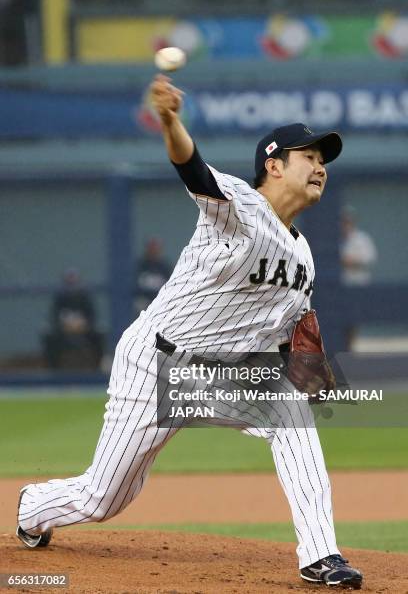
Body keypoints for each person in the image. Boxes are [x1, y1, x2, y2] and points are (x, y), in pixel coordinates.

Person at [16, 74, 362, 589]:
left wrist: (307, 361)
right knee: (104, 499)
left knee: (292, 415)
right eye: (307, 155)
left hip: (226, 377)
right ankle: (35, 506)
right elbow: (192, 169)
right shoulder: (240, 207)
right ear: (273, 164)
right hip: (156, 364)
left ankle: (320, 554)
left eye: (323, 159)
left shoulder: (305, 255)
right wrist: (171, 120)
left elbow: (293, 330)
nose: (319, 166)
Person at [42, 268, 104, 370]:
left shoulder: (85, 298)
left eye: (74, 281)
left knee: (99, 336)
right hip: (63, 332)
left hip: (84, 331)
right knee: (49, 338)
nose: (72, 284)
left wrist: (82, 325)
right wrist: (66, 326)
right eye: (69, 282)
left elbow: (92, 317)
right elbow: (54, 318)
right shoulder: (60, 298)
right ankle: (53, 369)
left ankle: (97, 368)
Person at [340, 206, 377, 286]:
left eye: (348, 222)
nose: (346, 225)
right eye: (344, 222)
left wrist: (352, 261)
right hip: (344, 284)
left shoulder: (362, 238)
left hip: (361, 283)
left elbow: (371, 258)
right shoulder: (338, 240)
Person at [134, 238, 171, 315]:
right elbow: (135, 286)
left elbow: (169, 285)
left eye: (155, 248)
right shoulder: (141, 266)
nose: (153, 250)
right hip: (144, 301)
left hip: (160, 301)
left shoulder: (164, 267)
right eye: (151, 248)